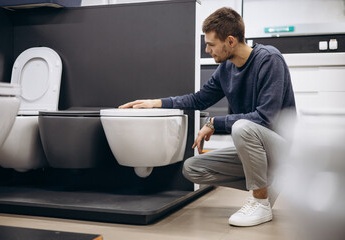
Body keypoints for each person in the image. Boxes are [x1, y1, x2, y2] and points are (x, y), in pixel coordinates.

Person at [119, 7, 295, 227]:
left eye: (211, 44)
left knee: (241, 127)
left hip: (281, 149)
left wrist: (215, 123)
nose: (207, 49)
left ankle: (260, 202)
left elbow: (266, 118)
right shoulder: (226, 69)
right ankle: (268, 184)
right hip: (256, 152)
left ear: (230, 41)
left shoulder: (269, 59)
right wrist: (156, 103)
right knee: (192, 168)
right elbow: (199, 99)